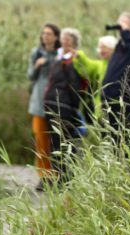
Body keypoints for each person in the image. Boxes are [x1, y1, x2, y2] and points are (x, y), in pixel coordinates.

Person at [43, 27, 88, 185]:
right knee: (54, 140)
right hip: (51, 103)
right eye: (63, 38)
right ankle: (58, 175)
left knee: (65, 140)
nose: (64, 41)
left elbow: (76, 86)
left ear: (75, 42)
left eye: (68, 39)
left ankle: (66, 176)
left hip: (64, 105)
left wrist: (74, 107)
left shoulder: (73, 60)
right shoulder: (58, 57)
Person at [27, 23, 60, 190]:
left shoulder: (60, 54)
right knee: (41, 141)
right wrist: (37, 65)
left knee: (55, 141)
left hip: (56, 103)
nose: (45, 36)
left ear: (56, 37)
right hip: (39, 103)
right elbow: (30, 76)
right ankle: (43, 176)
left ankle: (57, 174)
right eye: (43, 33)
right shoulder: (37, 53)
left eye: (49, 33)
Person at [73, 35, 118, 122]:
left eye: (104, 47)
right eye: (100, 47)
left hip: (115, 109)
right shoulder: (101, 64)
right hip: (101, 108)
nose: (101, 50)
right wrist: (80, 57)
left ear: (113, 49)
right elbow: (87, 67)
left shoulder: (118, 65)